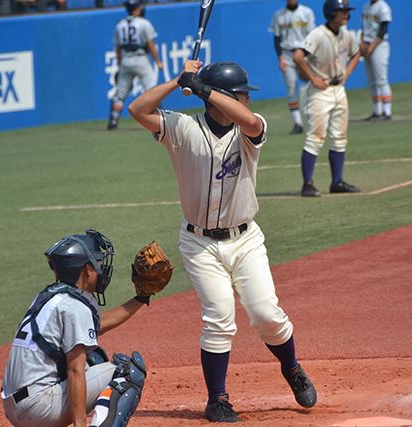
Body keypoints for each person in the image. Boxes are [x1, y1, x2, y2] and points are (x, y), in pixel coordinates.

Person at [129, 60, 317, 423]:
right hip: (199, 244)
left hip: (245, 240)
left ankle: (291, 368)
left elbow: (248, 120)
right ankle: (218, 398)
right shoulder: (182, 128)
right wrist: (177, 81)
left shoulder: (250, 129)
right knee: (219, 317)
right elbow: (138, 110)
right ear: (226, 96)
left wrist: (200, 88)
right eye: (243, 93)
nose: (248, 99)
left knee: (266, 315)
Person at [1, 228, 153, 427]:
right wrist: (79, 423)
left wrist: (141, 298)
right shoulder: (75, 307)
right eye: (98, 263)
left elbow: (98, 325)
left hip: (16, 407)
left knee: (94, 358)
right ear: (86, 269)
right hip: (38, 409)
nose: (102, 269)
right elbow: (75, 370)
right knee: (128, 371)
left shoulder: (52, 297)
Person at [292, 0, 361, 197]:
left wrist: (346, 74)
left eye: (347, 10)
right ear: (332, 13)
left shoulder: (347, 34)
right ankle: (307, 184)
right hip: (319, 92)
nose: (347, 14)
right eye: (343, 11)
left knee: (340, 137)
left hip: (338, 89)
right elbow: (298, 56)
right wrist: (313, 77)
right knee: (315, 137)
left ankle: (337, 182)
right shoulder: (318, 34)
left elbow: (356, 54)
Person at [108, 0, 163, 130]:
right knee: (152, 91)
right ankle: (160, 120)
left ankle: (113, 121)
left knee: (120, 95)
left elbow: (117, 48)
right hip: (141, 59)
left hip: (126, 59)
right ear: (137, 9)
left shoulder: (119, 25)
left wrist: (120, 65)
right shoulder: (144, 23)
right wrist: (157, 61)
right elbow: (150, 44)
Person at [268, 0, 315, 135]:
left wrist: (309, 56)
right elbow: (276, 38)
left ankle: (313, 119)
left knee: (309, 86)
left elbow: (312, 36)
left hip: (303, 53)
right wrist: (280, 57)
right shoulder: (278, 15)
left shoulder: (306, 12)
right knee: (291, 87)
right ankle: (298, 123)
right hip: (287, 54)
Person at [360, 0, 392, 121]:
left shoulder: (383, 7)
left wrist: (372, 47)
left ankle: (387, 111)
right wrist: (362, 43)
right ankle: (377, 111)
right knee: (371, 80)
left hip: (379, 45)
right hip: (368, 43)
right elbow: (363, 27)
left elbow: (383, 30)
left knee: (381, 79)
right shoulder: (366, 7)